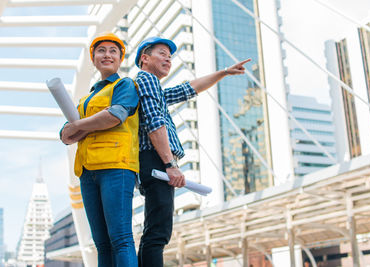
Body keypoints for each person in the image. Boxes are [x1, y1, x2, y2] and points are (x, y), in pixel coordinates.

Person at [134, 36, 251, 266]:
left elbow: (189, 89)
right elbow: (153, 122)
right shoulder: (146, 80)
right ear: (144, 59)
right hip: (157, 161)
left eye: (170, 55)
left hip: (155, 162)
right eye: (161, 53)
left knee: (156, 230)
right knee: (157, 233)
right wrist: (170, 164)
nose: (168, 58)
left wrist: (224, 72)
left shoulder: (154, 88)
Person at [60, 32, 139, 267]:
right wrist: (81, 126)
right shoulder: (86, 99)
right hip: (87, 171)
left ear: (120, 59)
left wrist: (79, 126)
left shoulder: (125, 85)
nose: (107, 55)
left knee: (121, 238)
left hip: (116, 166)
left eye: (113, 51)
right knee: (101, 243)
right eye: (101, 51)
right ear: (93, 59)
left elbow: (115, 115)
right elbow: (65, 135)